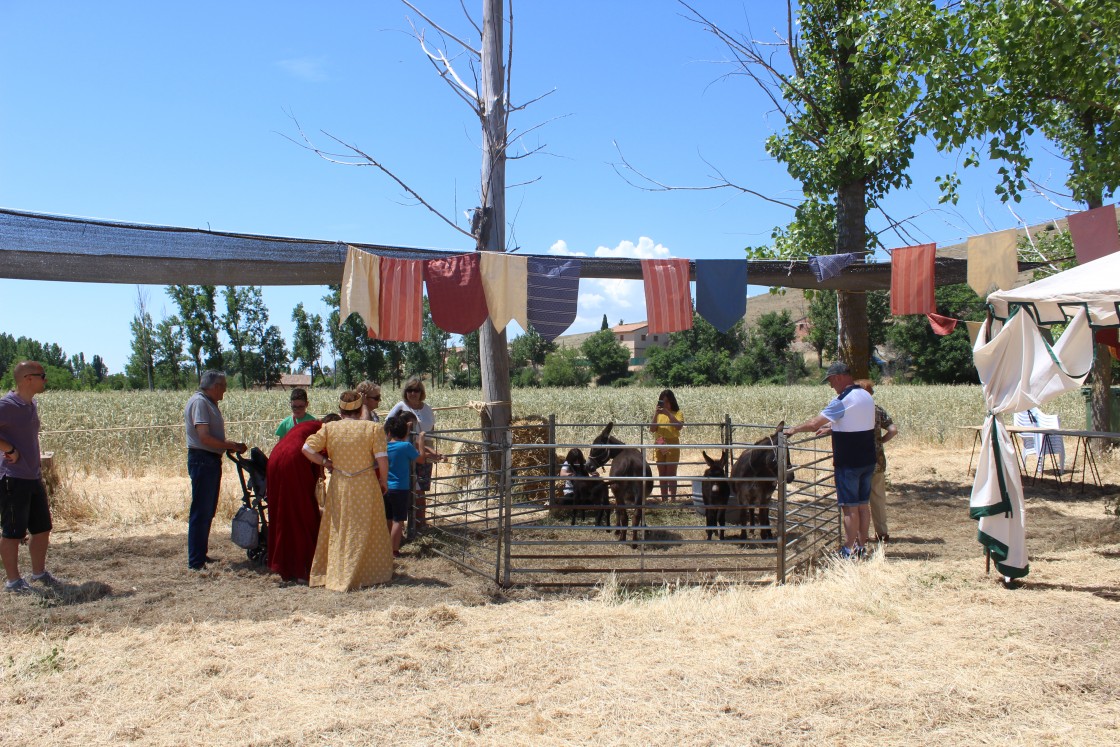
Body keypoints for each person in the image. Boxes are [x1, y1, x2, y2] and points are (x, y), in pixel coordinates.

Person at [302, 390, 392, 591]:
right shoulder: (373, 428)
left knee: (340, 526)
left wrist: (325, 462)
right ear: (360, 410)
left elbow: (306, 449)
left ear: (340, 410)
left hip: (340, 484)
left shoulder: (329, 428)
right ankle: (369, 571)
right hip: (366, 484)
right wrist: (384, 481)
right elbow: (382, 459)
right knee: (367, 525)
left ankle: (338, 570)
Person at [785, 361, 876, 559]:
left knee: (849, 508)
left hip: (848, 461)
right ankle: (861, 546)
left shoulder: (842, 400)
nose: (831, 385)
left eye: (831, 381)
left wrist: (794, 429)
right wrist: (832, 428)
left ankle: (848, 550)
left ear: (838, 377)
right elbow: (854, 422)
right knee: (863, 505)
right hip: (868, 459)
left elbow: (814, 424)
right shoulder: (866, 395)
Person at [0, 361, 61, 593]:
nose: (46, 380)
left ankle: (39, 573)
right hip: (12, 478)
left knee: (42, 528)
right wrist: (9, 448)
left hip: (32, 476)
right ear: (28, 379)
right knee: (13, 532)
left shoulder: (30, 404)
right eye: (42, 376)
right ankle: (13, 582)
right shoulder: (7, 405)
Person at [183, 370, 247, 571]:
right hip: (203, 460)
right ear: (215, 386)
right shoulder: (200, 403)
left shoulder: (207, 402)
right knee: (201, 510)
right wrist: (231, 445)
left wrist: (227, 445)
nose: (225, 390)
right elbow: (204, 437)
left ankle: (200, 555)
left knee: (207, 510)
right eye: (224, 386)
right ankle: (196, 561)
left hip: (208, 460)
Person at [266, 419, 324, 583]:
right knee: (302, 513)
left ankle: (285, 564)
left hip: (276, 458)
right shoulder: (324, 429)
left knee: (282, 513)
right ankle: (301, 567)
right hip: (293, 460)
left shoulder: (308, 426)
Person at [387, 376, 443, 526]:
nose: (413, 393)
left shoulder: (427, 409)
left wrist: (431, 451)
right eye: (410, 390)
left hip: (424, 449)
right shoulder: (400, 407)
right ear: (405, 392)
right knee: (407, 487)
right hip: (405, 451)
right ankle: (404, 523)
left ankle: (420, 523)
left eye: (416, 390)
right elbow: (388, 427)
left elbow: (431, 430)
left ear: (421, 392)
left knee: (421, 488)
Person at [854, 379, 898, 543]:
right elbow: (893, 430)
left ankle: (860, 535)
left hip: (858, 460)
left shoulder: (854, 410)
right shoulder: (877, 409)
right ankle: (882, 533)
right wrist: (880, 441)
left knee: (859, 500)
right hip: (877, 460)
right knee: (878, 498)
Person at [383, 415, 424, 558]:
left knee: (388, 518)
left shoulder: (384, 447)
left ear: (389, 432)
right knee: (398, 520)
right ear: (406, 433)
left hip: (386, 487)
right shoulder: (406, 446)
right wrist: (421, 440)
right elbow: (421, 459)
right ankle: (393, 550)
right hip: (400, 488)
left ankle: (385, 547)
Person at [648, 389, 684, 502]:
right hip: (660, 443)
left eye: (667, 401)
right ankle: (664, 500)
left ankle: (672, 499)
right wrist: (656, 413)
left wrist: (668, 413)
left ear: (672, 401)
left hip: (672, 444)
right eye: (663, 402)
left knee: (671, 473)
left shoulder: (678, 413)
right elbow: (652, 429)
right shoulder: (658, 414)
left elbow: (679, 426)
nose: (665, 404)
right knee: (662, 473)